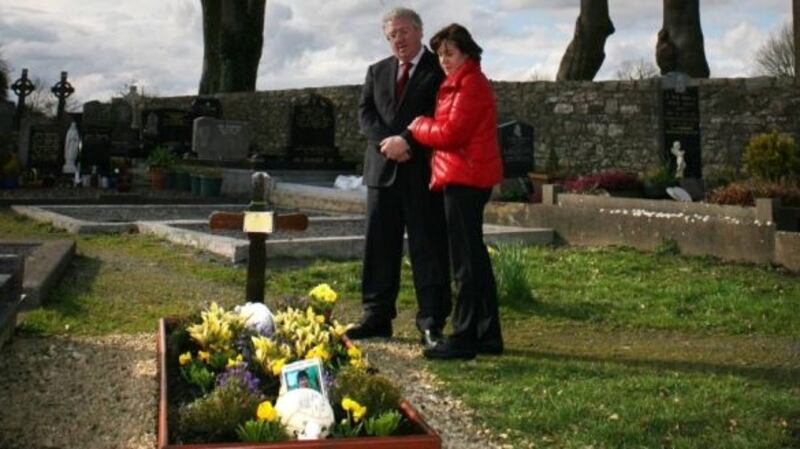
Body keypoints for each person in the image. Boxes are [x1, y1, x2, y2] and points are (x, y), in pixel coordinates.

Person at [348, 7, 451, 347]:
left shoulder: (440, 69)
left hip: (420, 169)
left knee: (428, 247)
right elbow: (365, 114)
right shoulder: (376, 71)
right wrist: (386, 143)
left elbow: (440, 114)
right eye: (391, 35)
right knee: (379, 247)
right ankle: (376, 316)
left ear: (420, 32)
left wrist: (406, 141)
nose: (398, 40)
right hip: (381, 171)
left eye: (403, 32)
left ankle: (431, 321)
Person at [408, 23, 504, 360]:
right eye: (440, 54)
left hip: (465, 178)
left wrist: (418, 125)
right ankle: (487, 334)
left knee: (465, 262)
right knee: (473, 257)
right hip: (464, 175)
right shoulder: (461, 82)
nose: (444, 60)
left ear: (467, 51)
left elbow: (451, 133)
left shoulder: (470, 85)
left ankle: (464, 338)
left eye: (450, 53)